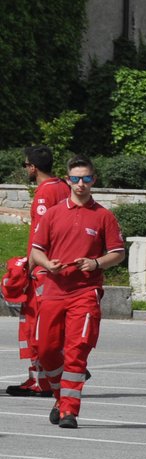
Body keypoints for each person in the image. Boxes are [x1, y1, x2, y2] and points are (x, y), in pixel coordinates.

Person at [28, 157, 126, 429]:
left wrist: (95, 263)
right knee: (46, 351)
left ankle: (70, 411)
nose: (80, 184)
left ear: (94, 180)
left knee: (76, 352)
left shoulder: (104, 216)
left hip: (85, 292)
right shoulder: (53, 214)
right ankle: (60, 397)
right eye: (75, 179)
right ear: (68, 180)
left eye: (86, 179)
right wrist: (48, 265)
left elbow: (117, 253)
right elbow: (37, 250)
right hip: (53, 291)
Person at [8, 146, 72, 399]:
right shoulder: (64, 187)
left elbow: (41, 232)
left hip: (45, 267)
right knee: (52, 324)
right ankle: (50, 372)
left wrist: (31, 265)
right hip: (60, 265)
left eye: (26, 165)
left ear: (33, 167)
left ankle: (42, 380)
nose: (26, 169)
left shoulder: (45, 192)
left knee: (35, 323)